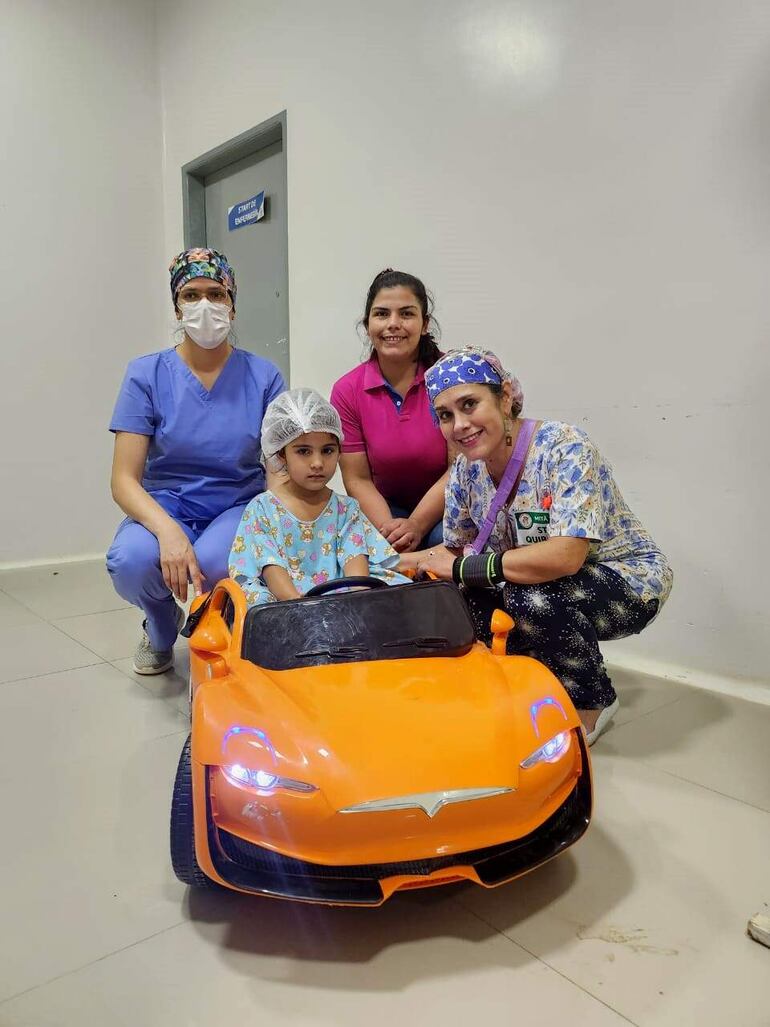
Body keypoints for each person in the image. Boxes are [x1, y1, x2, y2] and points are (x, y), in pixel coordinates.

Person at [411, 347, 673, 745]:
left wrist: (466, 568)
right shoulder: (465, 470)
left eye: (470, 404)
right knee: (455, 599)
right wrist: (391, 563)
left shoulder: (564, 446)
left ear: (505, 398)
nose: (460, 425)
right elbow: (457, 552)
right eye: (446, 415)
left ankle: (592, 703)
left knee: (530, 596)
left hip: (627, 581)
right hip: (532, 580)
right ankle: (524, 683)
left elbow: (566, 557)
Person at [107, 248, 285, 674]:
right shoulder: (145, 375)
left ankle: (220, 638)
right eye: (191, 295)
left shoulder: (264, 377)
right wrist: (167, 531)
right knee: (130, 561)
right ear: (176, 306)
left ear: (233, 305)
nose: (204, 306)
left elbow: (279, 466)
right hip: (167, 505)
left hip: (236, 505)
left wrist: (276, 524)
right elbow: (123, 480)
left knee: (213, 561)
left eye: (216, 294)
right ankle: (162, 624)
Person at [229, 389, 410, 605]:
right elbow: (271, 568)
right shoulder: (262, 509)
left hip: (340, 596)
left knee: (395, 592)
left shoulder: (346, 508)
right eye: (304, 451)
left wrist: (358, 604)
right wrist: (302, 608)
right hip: (285, 601)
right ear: (281, 454)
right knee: (255, 603)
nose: (317, 463)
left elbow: (356, 568)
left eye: (327, 451)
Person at [330, 269, 449, 553]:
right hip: (385, 510)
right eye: (382, 314)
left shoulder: (448, 377)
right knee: (365, 550)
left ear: (424, 325)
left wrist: (417, 525)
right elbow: (357, 479)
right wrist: (391, 534)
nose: (393, 324)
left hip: (449, 503)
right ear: (367, 324)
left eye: (406, 314)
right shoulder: (347, 390)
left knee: (443, 540)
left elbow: (460, 468)